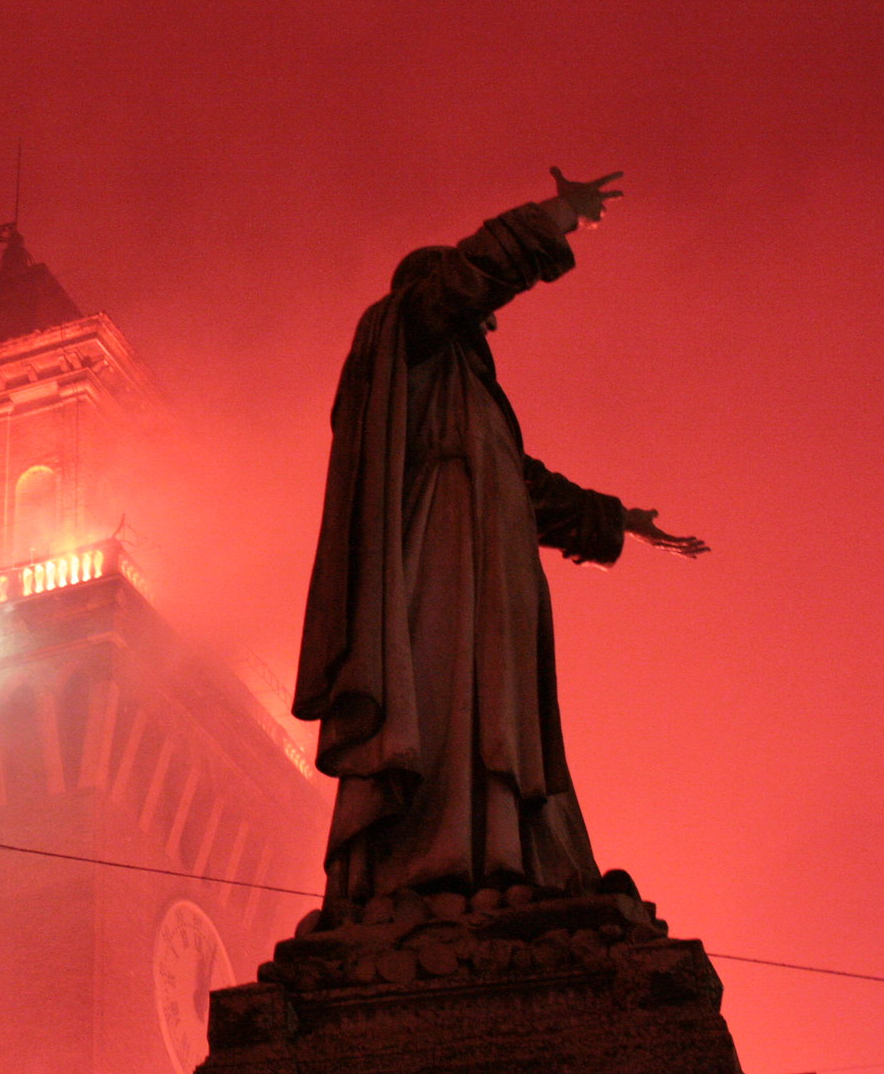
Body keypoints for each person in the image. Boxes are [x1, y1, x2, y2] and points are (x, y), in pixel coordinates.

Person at [293, 169, 705, 905]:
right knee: (444, 702)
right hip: (436, 564)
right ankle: (435, 861)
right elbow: (477, 270)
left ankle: (507, 858)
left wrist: (622, 522)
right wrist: (557, 216)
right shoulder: (412, 334)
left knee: (499, 713)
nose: (492, 325)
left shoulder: (475, 401)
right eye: (479, 314)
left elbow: (529, 485)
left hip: (494, 578)